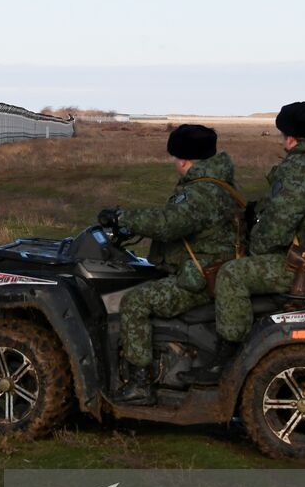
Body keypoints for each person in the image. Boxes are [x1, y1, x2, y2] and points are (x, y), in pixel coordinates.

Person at [100, 124, 244, 405]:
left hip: (201, 279)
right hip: (214, 271)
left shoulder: (200, 192)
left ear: (183, 159)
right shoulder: (220, 184)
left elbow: (168, 224)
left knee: (135, 303)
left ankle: (139, 386)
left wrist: (122, 218)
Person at [213, 101, 305, 346]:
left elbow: (276, 227)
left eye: (283, 136)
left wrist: (252, 250)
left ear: (291, 137)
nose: (283, 142)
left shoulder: (302, 167)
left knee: (231, 274)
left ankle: (230, 353)